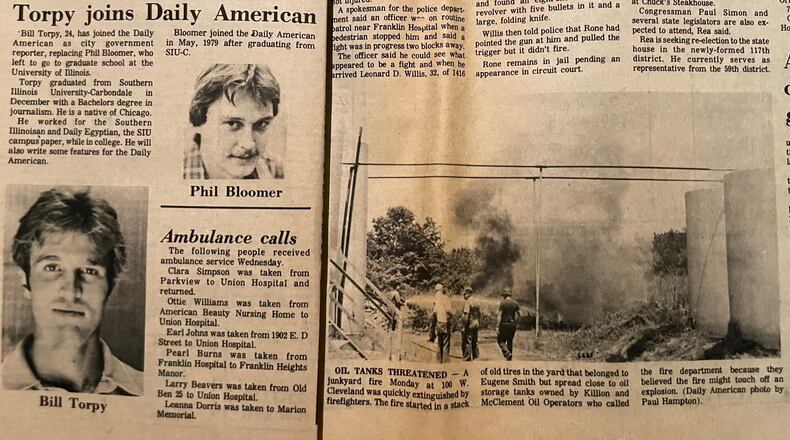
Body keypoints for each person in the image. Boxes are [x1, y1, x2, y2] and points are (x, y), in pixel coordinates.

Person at [2, 189, 143, 395]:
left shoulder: (145, 389)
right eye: (52, 268)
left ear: (110, 285)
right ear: (25, 280)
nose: (70, 292)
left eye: (89, 271)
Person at [184, 64, 284, 179]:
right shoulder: (172, 173)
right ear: (199, 121)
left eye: (260, 124)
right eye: (232, 123)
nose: (248, 144)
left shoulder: (275, 171)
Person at [496, 288, 520, 361]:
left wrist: (497, 326)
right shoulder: (515, 303)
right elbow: (520, 314)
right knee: (510, 340)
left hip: (504, 324)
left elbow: (499, 315)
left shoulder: (502, 303)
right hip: (512, 325)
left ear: (504, 295)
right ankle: (509, 358)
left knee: (500, 340)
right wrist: (515, 322)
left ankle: (507, 353)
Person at [431, 284, 452, 363]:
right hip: (445, 322)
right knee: (446, 343)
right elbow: (449, 311)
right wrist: (451, 316)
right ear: (442, 290)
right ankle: (446, 362)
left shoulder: (436, 300)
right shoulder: (446, 298)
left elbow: (434, 313)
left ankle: (438, 361)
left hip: (439, 323)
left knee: (439, 342)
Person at [461, 287, 481, 361]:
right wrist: (478, 322)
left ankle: (467, 357)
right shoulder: (476, 301)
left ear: (468, 294)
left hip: (470, 324)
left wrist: (464, 326)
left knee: (467, 340)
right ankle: (476, 356)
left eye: (465, 294)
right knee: (475, 340)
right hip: (476, 323)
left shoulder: (468, 302)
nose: (463, 296)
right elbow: (479, 314)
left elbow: (466, 315)